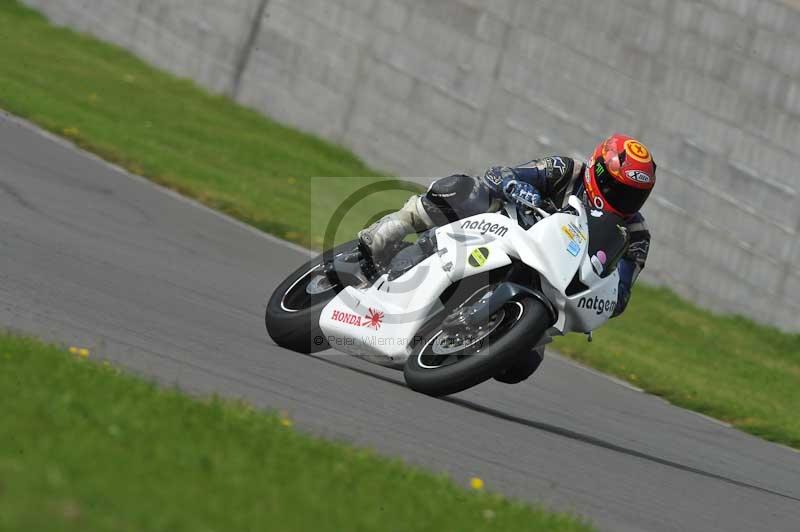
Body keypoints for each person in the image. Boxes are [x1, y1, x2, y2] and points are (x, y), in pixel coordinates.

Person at [358, 133, 656, 383]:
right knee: (468, 190)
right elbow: (499, 174)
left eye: (634, 195)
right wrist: (515, 186)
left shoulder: (636, 234)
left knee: (520, 367)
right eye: (618, 189)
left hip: (550, 285)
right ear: (597, 172)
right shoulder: (566, 171)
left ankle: (467, 339)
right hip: (501, 233)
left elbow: (621, 293)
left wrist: (602, 292)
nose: (624, 200)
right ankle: (396, 224)